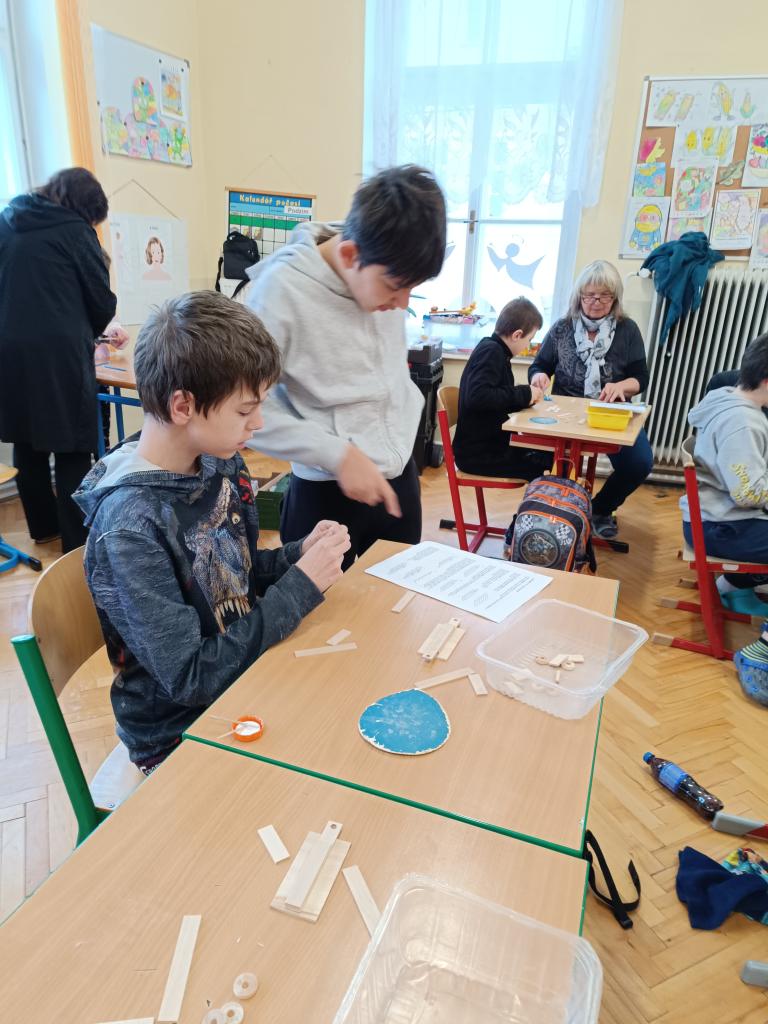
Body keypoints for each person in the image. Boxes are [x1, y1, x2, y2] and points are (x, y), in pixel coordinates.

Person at [74, 291, 351, 772]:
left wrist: (297, 556)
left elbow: (232, 577)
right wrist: (300, 588)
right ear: (183, 405)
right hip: (180, 733)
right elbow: (190, 678)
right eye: (245, 411)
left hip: (241, 682)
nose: (258, 423)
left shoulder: (219, 463)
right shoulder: (129, 529)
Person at [244, 164, 447, 570]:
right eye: (395, 288)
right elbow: (245, 412)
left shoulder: (387, 256)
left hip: (398, 480)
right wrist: (336, 454)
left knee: (395, 602)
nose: (403, 303)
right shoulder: (279, 291)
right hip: (326, 493)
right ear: (350, 256)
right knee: (320, 609)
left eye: (413, 289)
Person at [0, 167, 117, 552]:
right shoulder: (75, 231)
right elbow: (101, 300)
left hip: (9, 352)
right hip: (59, 355)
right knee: (72, 448)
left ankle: (43, 528)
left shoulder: (7, 222)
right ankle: (77, 545)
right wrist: (92, 328)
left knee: (27, 441)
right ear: (87, 209)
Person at [528, 259, 653, 538]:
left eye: (604, 295)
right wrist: (539, 376)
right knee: (540, 457)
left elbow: (640, 378)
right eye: (589, 295)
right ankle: (555, 510)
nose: (596, 302)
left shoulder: (628, 330)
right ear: (579, 296)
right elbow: (539, 366)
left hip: (611, 412)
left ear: (615, 298)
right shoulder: (561, 328)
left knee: (639, 463)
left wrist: (621, 386)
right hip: (565, 414)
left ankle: (600, 509)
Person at [681, 332, 768, 618]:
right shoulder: (744, 422)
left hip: (712, 517)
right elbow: (748, 494)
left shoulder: (725, 396)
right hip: (721, 527)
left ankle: (729, 586)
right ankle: (737, 591)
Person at [453, 296, 552, 480]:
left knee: (547, 453)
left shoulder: (496, 351)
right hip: (478, 455)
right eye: (529, 339)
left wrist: (528, 397)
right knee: (541, 460)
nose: (528, 345)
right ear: (517, 335)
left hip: (488, 446)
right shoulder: (491, 351)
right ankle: (542, 499)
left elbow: (496, 398)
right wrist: (524, 393)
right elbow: (478, 397)